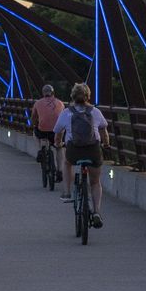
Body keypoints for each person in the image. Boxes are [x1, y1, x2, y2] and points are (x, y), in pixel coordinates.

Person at [55, 81, 110, 230]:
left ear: (72, 96)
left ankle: (67, 192)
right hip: (93, 150)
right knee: (95, 182)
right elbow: (104, 130)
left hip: (74, 150)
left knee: (67, 162)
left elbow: (58, 132)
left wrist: (58, 143)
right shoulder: (95, 111)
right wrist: (106, 144)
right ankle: (97, 212)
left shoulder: (66, 112)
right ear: (88, 96)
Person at [31, 83, 65, 189]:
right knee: (59, 148)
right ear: (53, 93)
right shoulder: (60, 103)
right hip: (57, 131)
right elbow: (63, 117)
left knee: (35, 133)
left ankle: (40, 150)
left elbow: (33, 118)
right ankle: (59, 171)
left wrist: (34, 124)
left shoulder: (37, 103)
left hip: (43, 130)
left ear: (43, 93)